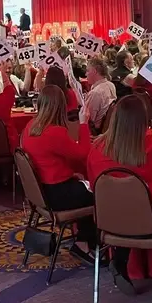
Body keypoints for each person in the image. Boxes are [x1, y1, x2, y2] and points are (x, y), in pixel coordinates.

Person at [87, 93, 152, 292]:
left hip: (109, 222)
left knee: (125, 214)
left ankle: (120, 261)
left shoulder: (96, 148)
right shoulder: (148, 146)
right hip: (148, 223)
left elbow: (96, 184)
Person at [20, 86, 95, 263]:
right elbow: (83, 153)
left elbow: (52, 161)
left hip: (41, 194)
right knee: (100, 193)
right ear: (61, 106)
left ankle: (84, 240)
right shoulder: (55, 132)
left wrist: (71, 174)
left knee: (85, 186)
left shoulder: (30, 126)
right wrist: (84, 124)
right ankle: (84, 243)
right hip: (58, 194)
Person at [83, 57, 116, 131]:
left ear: (94, 71)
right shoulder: (111, 85)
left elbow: (87, 120)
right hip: (107, 129)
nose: (85, 74)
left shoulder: (96, 93)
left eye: (87, 71)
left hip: (94, 130)